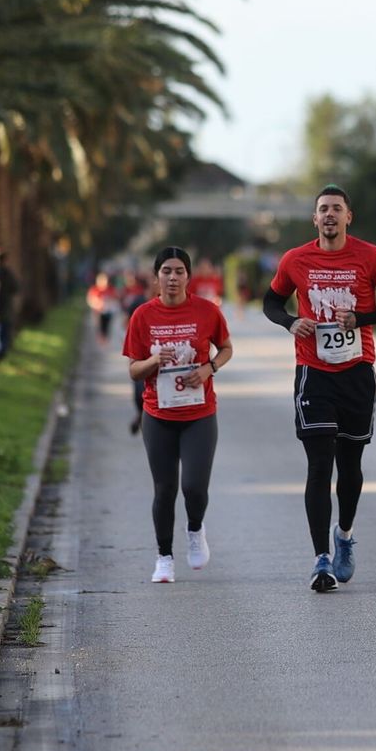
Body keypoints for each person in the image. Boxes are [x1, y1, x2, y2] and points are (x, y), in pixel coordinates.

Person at [263, 185, 376, 592]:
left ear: (349, 217)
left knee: (350, 468)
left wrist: (362, 318)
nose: (329, 215)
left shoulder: (370, 256)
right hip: (313, 372)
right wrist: (291, 322)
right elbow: (271, 302)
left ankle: (344, 535)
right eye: (322, 210)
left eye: (336, 209)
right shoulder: (295, 259)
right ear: (314, 219)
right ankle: (321, 561)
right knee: (319, 465)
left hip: (357, 371)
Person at [123, 247, 233, 584]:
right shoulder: (142, 316)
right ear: (156, 277)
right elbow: (133, 370)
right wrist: (154, 361)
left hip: (199, 413)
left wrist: (208, 368)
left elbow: (226, 348)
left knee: (195, 487)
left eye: (179, 271)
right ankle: (164, 557)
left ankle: (195, 529)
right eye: (167, 271)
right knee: (165, 488)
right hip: (158, 414)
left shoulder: (206, 311)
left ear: (188, 276)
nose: (173, 277)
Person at [120, 269, 153, 435]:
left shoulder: (170, 304)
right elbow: (124, 322)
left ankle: (147, 421)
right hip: (140, 352)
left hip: (161, 355)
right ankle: (141, 415)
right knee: (140, 390)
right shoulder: (137, 302)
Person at [87, 271, 119, 344]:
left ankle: (105, 337)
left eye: (105, 280)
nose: (104, 282)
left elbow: (116, 298)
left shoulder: (110, 289)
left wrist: (110, 302)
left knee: (107, 324)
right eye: (102, 280)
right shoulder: (94, 289)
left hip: (108, 311)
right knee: (100, 325)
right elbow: (90, 300)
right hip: (98, 311)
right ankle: (101, 338)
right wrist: (97, 303)